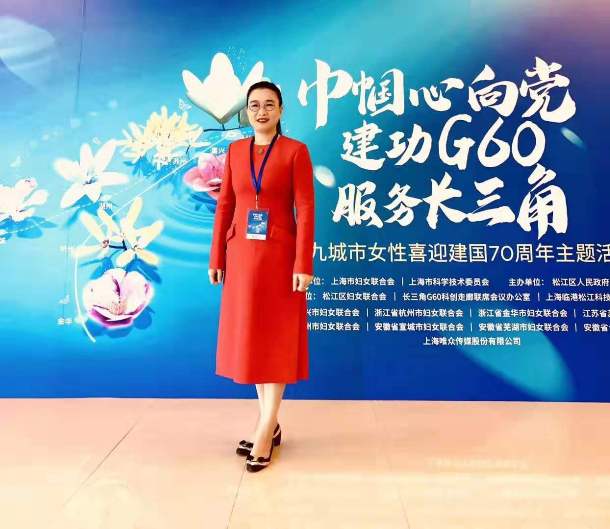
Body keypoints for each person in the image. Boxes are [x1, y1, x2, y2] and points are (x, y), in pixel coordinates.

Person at [208, 80, 315, 472]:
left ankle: (265, 428)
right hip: (241, 256)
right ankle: (270, 424)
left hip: (280, 259)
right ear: (246, 112)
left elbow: (305, 208)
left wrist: (303, 264)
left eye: (269, 104)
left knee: (276, 340)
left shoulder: (295, 152)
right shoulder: (235, 151)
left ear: (281, 110)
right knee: (253, 339)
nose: (261, 111)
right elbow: (225, 205)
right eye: (254, 105)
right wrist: (216, 255)